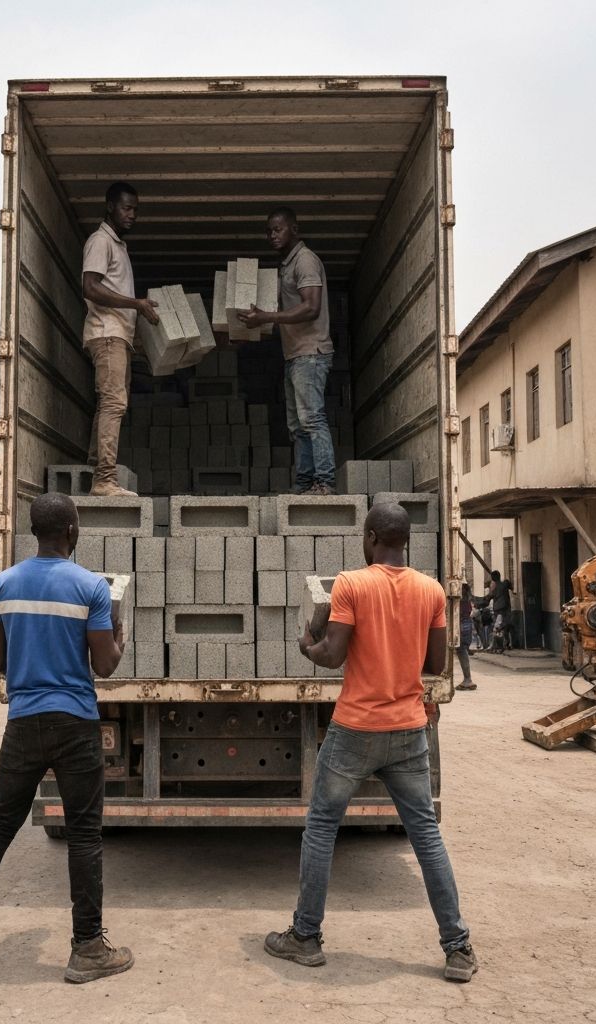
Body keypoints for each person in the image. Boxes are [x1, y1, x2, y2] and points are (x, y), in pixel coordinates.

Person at [264, 502, 477, 983]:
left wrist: (306, 645)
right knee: (426, 836)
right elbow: (435, 662)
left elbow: (332, 655)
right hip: (408, 729)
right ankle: (458, 947)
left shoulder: (352, 583)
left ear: (373, 537)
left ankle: (305, 937)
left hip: (356, 728)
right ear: (406, 541)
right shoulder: (431, 590)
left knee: (321, 828)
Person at [0, 493, 134, 984]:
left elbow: (0, 663)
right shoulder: (91, 588)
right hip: (75, 724)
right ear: (72, 531)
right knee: (84, 834)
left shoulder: (3, 585)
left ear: (33, 531)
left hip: (23, 722)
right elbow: (104, 666)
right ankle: (87, 947)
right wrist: (120, 637)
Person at [237, 207, 336, 495]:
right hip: (294, 355)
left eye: (277, 229)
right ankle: (305, 483)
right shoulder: (286, 266)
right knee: (297, 424)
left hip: (311, 353)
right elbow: (286, 313)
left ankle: (325, 482)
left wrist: (267, 317)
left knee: (312, 419)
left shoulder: (305, 261)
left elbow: (311, 307)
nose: (272, 235)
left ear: (295, 229)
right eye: (268, 231)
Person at [80, 181, 159, 498]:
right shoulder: (100, 241)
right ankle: (104, 479)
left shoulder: (118, 247)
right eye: (127, 208)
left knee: (107, 404)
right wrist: (136, 304)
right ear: (110, 206)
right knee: (115, 403)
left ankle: (96, 466)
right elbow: (91, 287)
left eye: (135, 210)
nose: (132, 215)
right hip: (107, 335)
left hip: (118, 337)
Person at [455, 582, 476, 691]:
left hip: (461, 625)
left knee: (461, 651)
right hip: (467, 625)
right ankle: (467, 679)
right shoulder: (468, 600)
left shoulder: (460, 601)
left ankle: (468, 679)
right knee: (462, 651)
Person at [486, 571, 513, 651]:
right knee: (505, 626)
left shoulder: (494, 588)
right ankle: (506, 644)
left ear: (492, 578)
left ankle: (500, 646)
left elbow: (488, 597)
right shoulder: (504, 584)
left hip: (498, 610)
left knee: (498, 627)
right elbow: (510, 585)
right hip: (506, 609)